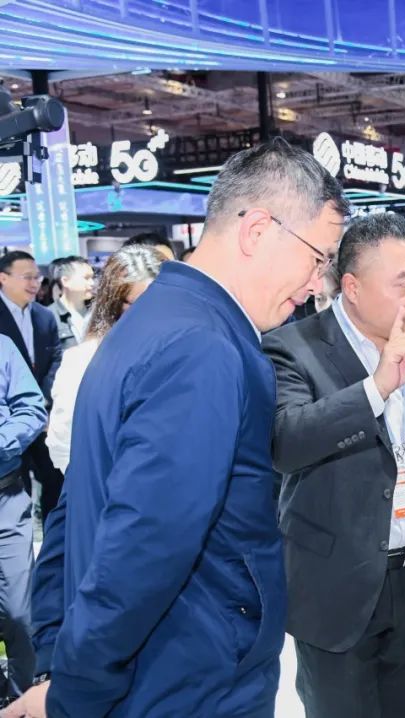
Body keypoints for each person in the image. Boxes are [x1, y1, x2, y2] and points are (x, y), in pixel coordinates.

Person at [10, 137, 349, 718]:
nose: (318, 282)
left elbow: (76, 505)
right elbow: (147, 542)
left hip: (157, 669)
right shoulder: (204, 346)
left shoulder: (152, 323)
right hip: (189, 679)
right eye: (319, 257)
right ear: (257, 230)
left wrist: (58, 657)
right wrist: (74, 691)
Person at [263, 213, 405, 718]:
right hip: (336, 583)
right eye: (403, 282)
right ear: (352, 287)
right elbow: (286, 443)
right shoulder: (292, 347)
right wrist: (377, 387)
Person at [45, 246, 162, 476]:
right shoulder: (84, 359)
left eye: (156, 301)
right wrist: (93, 484)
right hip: (108, 485)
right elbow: (63, 442)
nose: (149, 312)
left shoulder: (184, 352)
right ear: (113, 303)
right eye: (134, 303)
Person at [0, 335, 47, 708]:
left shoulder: (2, 348)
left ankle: (22, 702)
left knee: (19, 610)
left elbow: (32, 409)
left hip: (6, 497)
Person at [0, 251, 63, 523]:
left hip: (39, 413)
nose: (35, 283)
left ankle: (52, 534)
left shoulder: (44, 316)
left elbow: (55, 358)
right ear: (3, 278)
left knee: (53, 478)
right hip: (8, 421)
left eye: (37, 277)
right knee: (18, 481)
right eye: (27, 277)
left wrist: (42, 401)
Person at [48, 257, 95, 352]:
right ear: (65, 281)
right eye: (86, 278)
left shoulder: (97, 312)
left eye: (92, 277)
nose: (92, 283)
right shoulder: (49, 316)